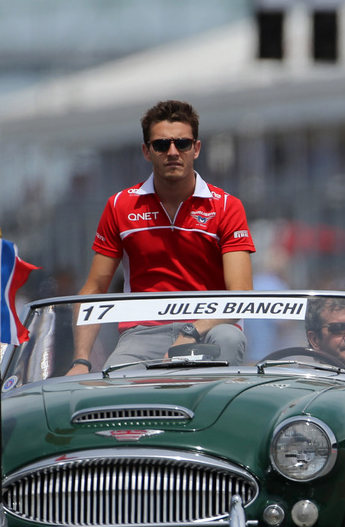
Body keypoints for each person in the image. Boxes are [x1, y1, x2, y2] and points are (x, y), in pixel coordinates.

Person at [67, 100, 256, 374]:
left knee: (230, 338)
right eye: (161, 145)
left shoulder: (227, 206)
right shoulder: (120, 205)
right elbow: (94, 288)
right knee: (113, 379)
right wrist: (81, 361)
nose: (172, 152)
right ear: (146, 151)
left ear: (197, 149)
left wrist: (191, 331)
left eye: (182, 143)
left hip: (209, 329)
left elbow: (240, 295)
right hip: (141, 333)